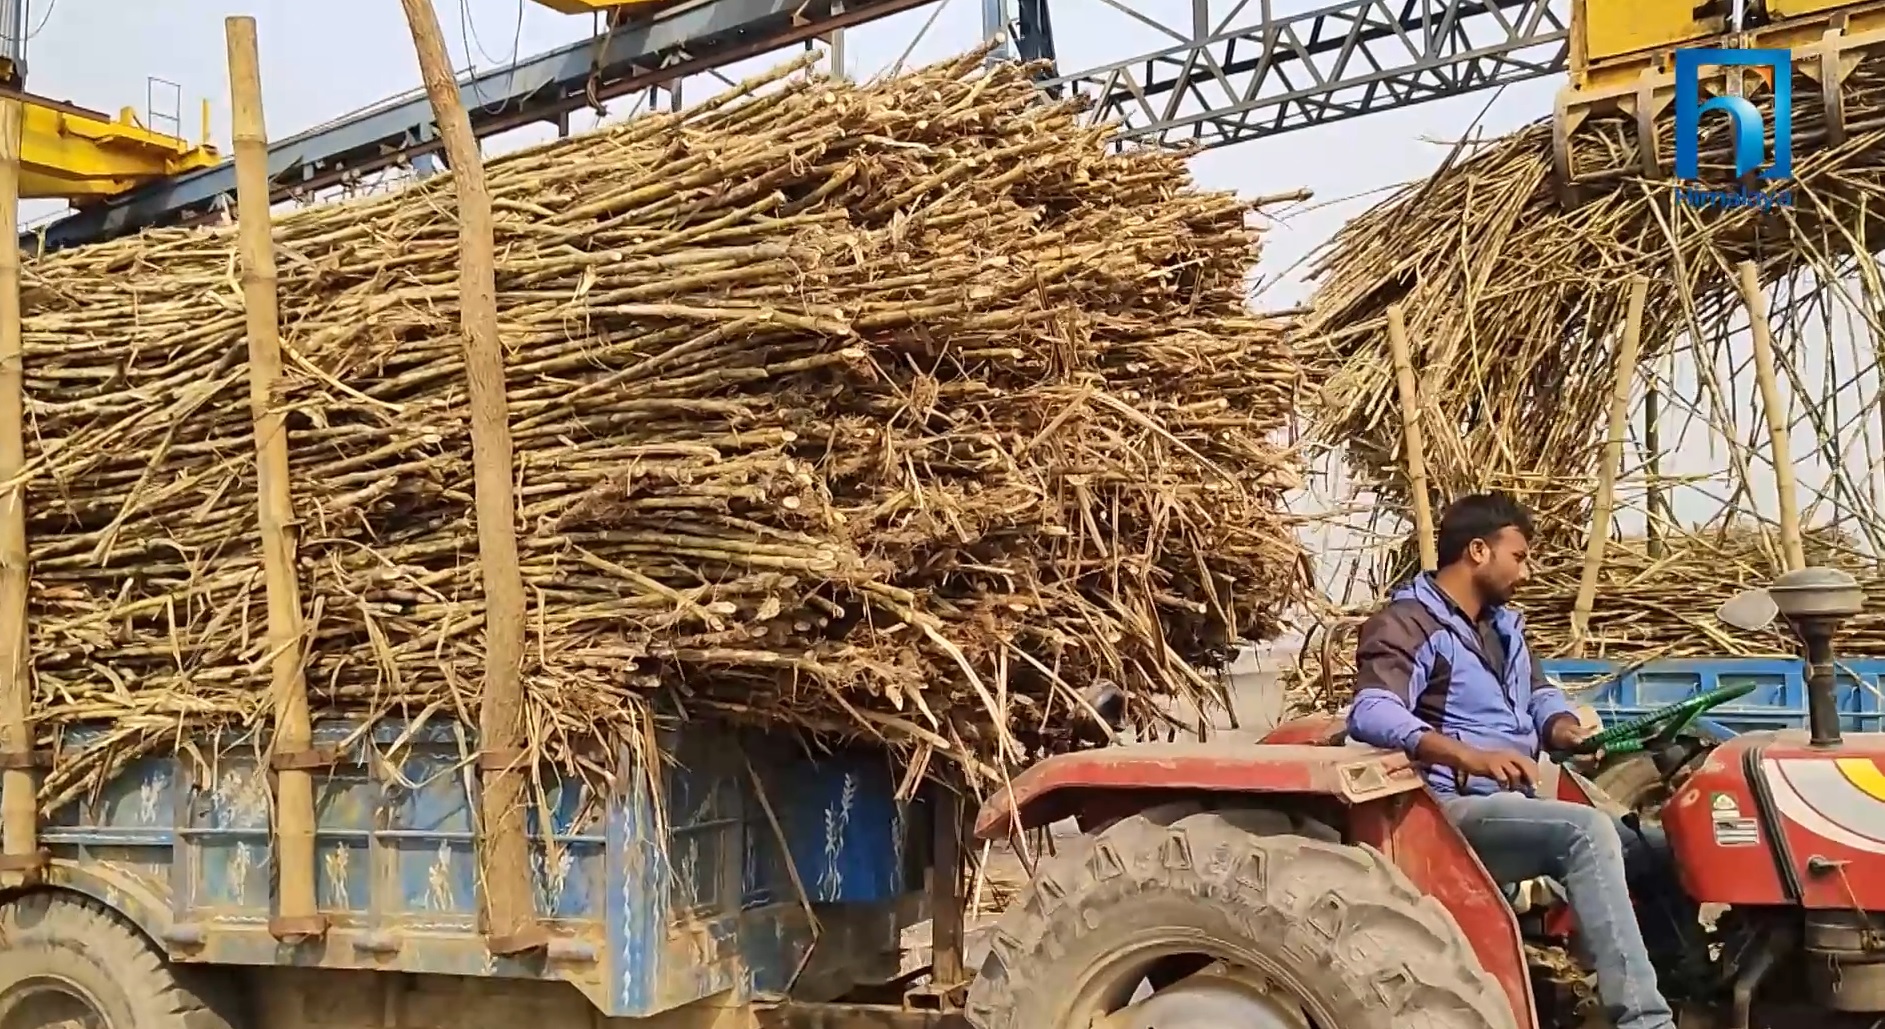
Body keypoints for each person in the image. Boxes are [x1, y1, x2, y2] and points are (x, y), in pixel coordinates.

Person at [1345, 492, 1690, 1029]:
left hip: (1511, 802)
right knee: (1586, 833)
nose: (1526, 573)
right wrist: (1465, 753)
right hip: (1446, 810)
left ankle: (1692, 988)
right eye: (1520, 556)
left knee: (1665, 845)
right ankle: (1645, 1021)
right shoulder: (1408, 625)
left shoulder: (1503, 628)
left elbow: (1537, 695)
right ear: (1478, 551)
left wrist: (1563, 728)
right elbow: (1371, 709)